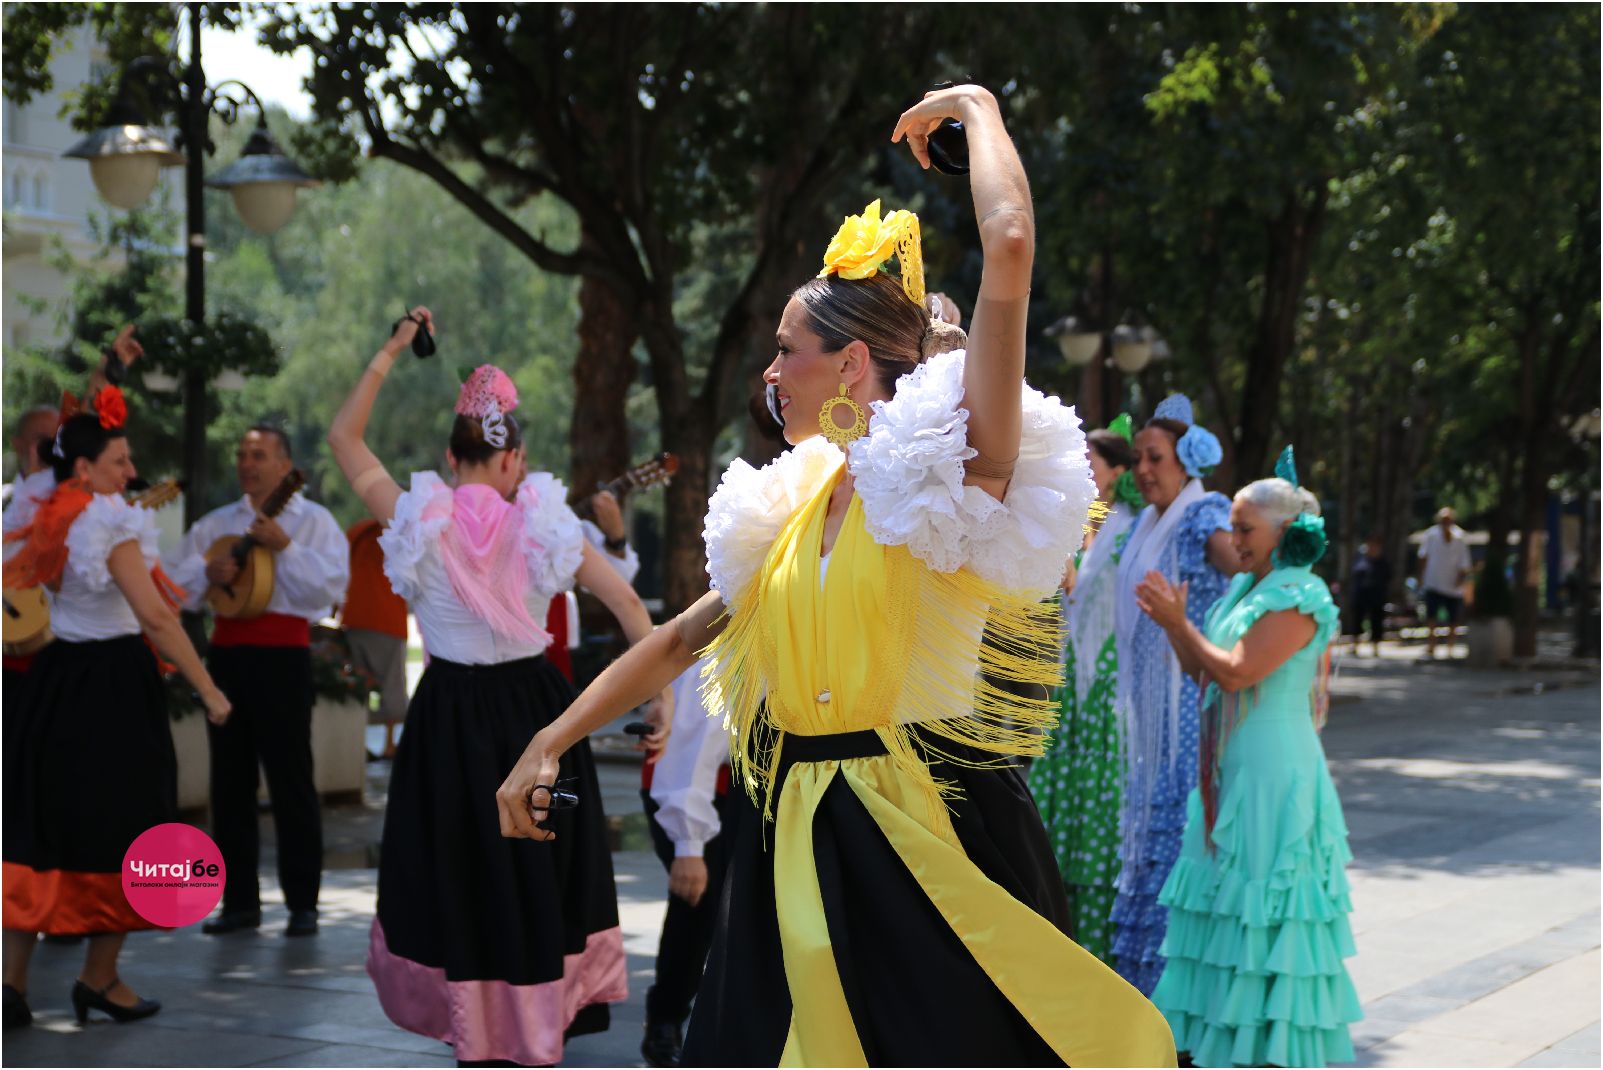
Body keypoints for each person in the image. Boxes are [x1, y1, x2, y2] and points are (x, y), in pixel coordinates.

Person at [496, 85, 1174, 1067]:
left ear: (852, 364)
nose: (771, 373)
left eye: (786, 351)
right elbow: (679, 638)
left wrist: (976, 109)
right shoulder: (787, 506)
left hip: (929, 837)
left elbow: (1010, 243)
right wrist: (548, 739)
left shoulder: (948, 480)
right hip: (791, 838)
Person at [327, 317, 672, 1068]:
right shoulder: (549, 527)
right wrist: (661, 699)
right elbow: (629, 608)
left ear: (451, 458)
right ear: (514, 459)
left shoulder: (416, 519)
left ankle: (475, 1031)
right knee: (539, 864)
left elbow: (345, 440)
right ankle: (533, 1026)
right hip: (537, 716)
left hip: (447, 717)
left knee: (459, 867)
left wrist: (390, 348)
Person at [2, 402, 232, 1029]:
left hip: (54, 679)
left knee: (43, 822)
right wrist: (208, 689)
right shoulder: (107, 521)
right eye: (119, 461)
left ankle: (13, 983)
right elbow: (155, 616)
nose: (132, 471)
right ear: (84, 467)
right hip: (110, 689)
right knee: (126, 823)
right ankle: (99, 977)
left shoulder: (48, 511)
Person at [1135, 448, 1360, 1067]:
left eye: (1244, 529)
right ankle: (1228, 1043)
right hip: (1233, 764)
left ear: (1285, 533)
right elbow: (1204, 672)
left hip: (1273, 770)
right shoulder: (1246, 588)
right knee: (1227, 905)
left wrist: (1182, 624)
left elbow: (1236, 673)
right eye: (1233, 527)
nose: (1233, 540)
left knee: (1263, 900)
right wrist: (1175, 626)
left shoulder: (1300, 594)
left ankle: (1269, 1049)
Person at [167, 427, 350, 938]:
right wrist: (207, 574)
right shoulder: (218, 523)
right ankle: (240, 902)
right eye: (242, 454)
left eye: (259, 455)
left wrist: (286, 547)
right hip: (227, 657)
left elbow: (331, 587)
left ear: (285, 465)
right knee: (229, 781)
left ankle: (303, 903)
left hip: (284, 658)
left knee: (291, 779)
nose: (247, 463)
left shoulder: (313, 521)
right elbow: (172, 584)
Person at [1112, 393, 1240, 996]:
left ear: (1187, 462)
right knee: (1154, 832)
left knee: (1183, 832)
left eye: (1155, 457)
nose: (1143, 469)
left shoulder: (1203, 514)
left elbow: (1245, 563)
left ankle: (1186, 988)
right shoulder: (1145, 523)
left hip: (1190, 705)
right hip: (1150, 714)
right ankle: (1153, 992)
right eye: (1138, 457)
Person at [1028, 415, 1142, 966]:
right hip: (1072, 675)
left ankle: (1100, 936)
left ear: (1118, 471)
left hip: (1107, 678)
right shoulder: (1080, 523)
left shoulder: (1130, 528)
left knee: (1099, 787)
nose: (1085, 470)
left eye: (1092, 462)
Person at [640, 653, 731, 1068]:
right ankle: (665, 1023)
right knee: (697, 907)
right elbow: (693, 745)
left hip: (736, 789)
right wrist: (688, 847)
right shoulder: (724, 645)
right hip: (687, 787)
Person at [342, 517, 409, 760]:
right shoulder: (401, 531)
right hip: (387, 618)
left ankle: (356, 743)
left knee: (357, 685)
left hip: (355, 616)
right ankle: (389, 744)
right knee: (391, 684)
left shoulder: (357, 531)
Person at [1418, 506, 1470, 660]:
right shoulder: (1431, 535)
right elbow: (1423, 556)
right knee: (1431, 617)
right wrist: (1421, 576)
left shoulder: (1460, 536)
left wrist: (1460, 578)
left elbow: (1464, 561)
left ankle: (1450, 648)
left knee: (1453, 619)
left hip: (1453, 586)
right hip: (1433, 582)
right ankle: (1431, 645)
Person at [1348, 533, 1392, 657]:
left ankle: (1375, 647)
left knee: (1377, 621)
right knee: (1357, 620)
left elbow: (1388, 577)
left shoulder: (1383, 561)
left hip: (1377, 595)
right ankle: (1355, 645)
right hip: (1361, 594)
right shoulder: (1360, 558)